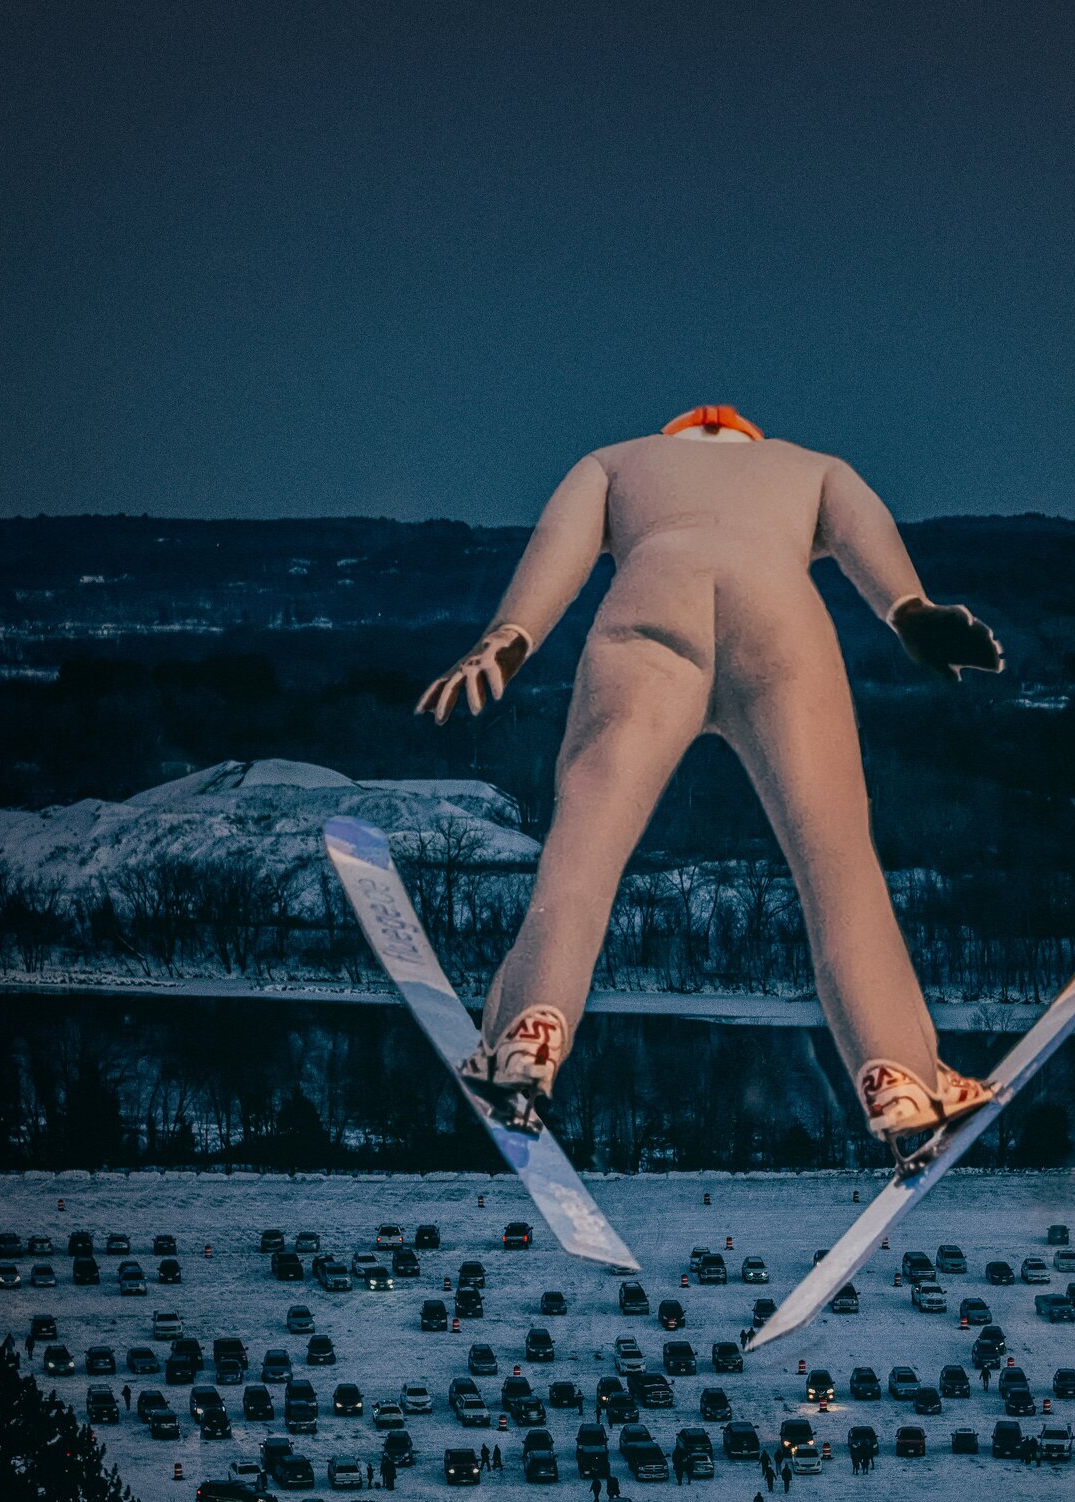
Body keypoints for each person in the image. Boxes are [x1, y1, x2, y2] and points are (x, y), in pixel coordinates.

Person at [421, 406, 1004, 1148]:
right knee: (838, 869)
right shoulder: (808, 464)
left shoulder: (616, 458)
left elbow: (559, 548)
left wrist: (509, 636)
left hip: (649, 601)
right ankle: (898, 1078)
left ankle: (529, 1035)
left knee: (585, 848)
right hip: (780, 616)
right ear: (748, 439)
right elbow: (866, 535)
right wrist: (908, 609)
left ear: (678, 436)